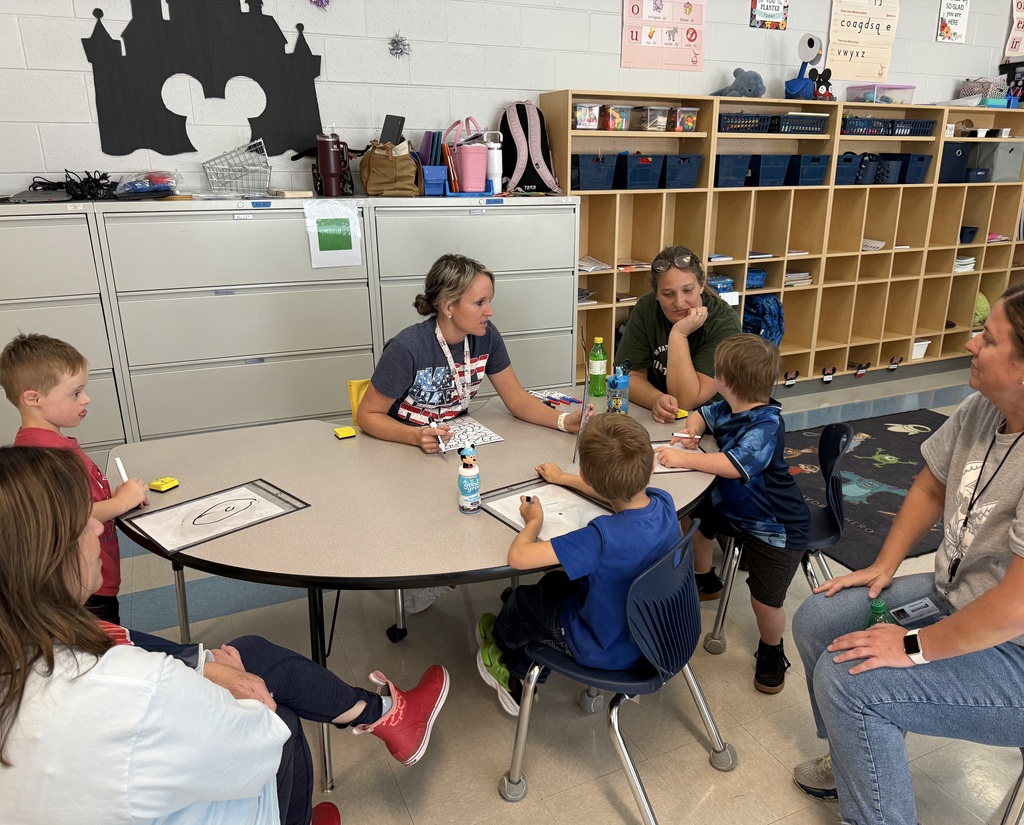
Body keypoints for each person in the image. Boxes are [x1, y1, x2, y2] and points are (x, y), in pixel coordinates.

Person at [0, 445, 450, 824]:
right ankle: (387, 714)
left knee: (244, 651)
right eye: (85, 523)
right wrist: (247, 692)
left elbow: (126, 641)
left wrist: (202, 664)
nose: (100, 527)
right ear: (46, 557)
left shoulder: (29, 637)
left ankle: (385, 713)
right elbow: (254, 745)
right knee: (283, 720)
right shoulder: (135, 686)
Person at [789, 284, 1024, 825]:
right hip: (958, 598)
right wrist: (884, 564)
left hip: (1014, 647)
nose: (969, 343)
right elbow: (929, 487)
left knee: (849, 683)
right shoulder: (981, 409)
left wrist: (913, 646)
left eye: (987, 339)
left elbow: (1014, 607)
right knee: (819, 618)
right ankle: (851, 755)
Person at [358, 253, 590, 613]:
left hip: (453, 442)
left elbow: (516, 398)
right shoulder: (408, 348)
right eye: (480, 302)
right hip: (403, 447)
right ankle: (425, 577)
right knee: (437, 509)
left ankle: (461, 568)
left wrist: (562, 420)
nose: (490, 311)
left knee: (484, 494)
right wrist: (413, 436)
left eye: (489, 301)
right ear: (449, 306)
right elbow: (367, 414)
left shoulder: (485, 337)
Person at [475, 413, 682, 715]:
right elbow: (616, 490)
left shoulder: (601, 538)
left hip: (604, 648)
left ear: (585, 474)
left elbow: (518, 558)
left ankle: (512, 668)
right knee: (554, 583)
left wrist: (534, 522)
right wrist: (561, 479)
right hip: (654, 637)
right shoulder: (663, 503)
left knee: (522, 601)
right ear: (651, 466)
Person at [654, 334, 810, 694]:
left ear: (725, 380)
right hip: (735, 509)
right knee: (695, 519)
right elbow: (699, 416)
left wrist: (684, 457)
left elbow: (734, 464)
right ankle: (706, 579)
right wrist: (690, 433)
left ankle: (772, 649)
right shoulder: (728, 406)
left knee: (764, 602)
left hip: (775, 528)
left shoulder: (766, 425)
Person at [0, 332, 149, 624]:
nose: (87, 398)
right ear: (33, 398)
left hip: (96, 569)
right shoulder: (43, 456)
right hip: (85, 585)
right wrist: (119, 503)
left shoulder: (52, 443)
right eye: (76, 393)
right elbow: (69, 513)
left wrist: (114, 496)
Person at [614, 244, 741, 425]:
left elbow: (686, 401)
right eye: (668, 294)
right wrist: (655, 399)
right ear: (656, 294)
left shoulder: (724, 323)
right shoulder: (646, 308)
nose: (679, 302)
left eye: (688, 290)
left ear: (702, 285)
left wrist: (678, 334)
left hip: (709, 423)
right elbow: (626, 376)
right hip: (660, 419)